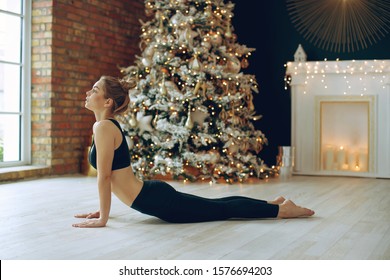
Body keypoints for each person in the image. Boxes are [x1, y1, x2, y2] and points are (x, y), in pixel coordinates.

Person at [72, 76, 314, 228]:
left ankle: (281, 210)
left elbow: (105, 177)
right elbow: (112, 177)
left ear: (108, 102)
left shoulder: (103, 126)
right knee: (219, 205)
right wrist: (102, 211)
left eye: (94, 89)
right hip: (151, 196)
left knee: (223, 209)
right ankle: (275, 203)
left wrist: (103, 218)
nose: (87, 93)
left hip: (156, 200)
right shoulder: (104, 126)